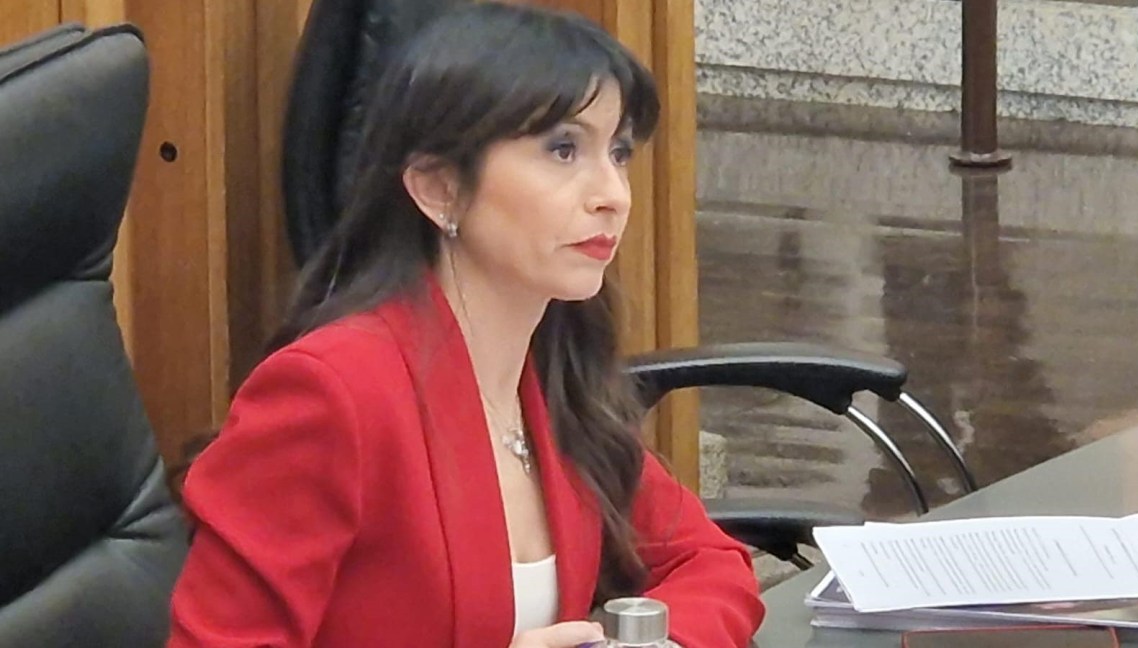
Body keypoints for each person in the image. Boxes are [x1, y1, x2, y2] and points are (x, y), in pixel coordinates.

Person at [165, 3, 765, 647]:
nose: (613, 195)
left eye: (617, 152)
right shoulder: (331, 392)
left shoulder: (551, 377)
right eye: (563, 149)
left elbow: (711, 562)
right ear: (439, 188)